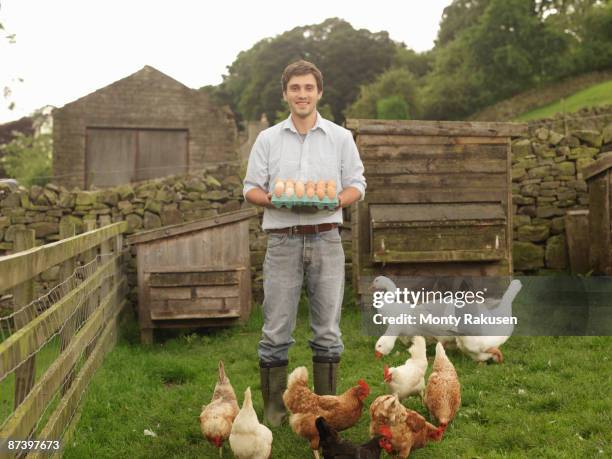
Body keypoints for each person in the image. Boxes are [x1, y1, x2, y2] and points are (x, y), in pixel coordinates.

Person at [243, 60, 366, 426]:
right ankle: (275, 413)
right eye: (295, 88)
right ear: (285, 94)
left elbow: (357, 184)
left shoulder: (341, 138)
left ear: (319, 93)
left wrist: (336, 201)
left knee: (328, 330)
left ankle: (326, 411)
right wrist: (273, 200)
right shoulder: (267, 139)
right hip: (282, 240)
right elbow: (250, 187)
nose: (302, 94)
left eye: (308, 88)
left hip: (327, 239)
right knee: (275, 330)